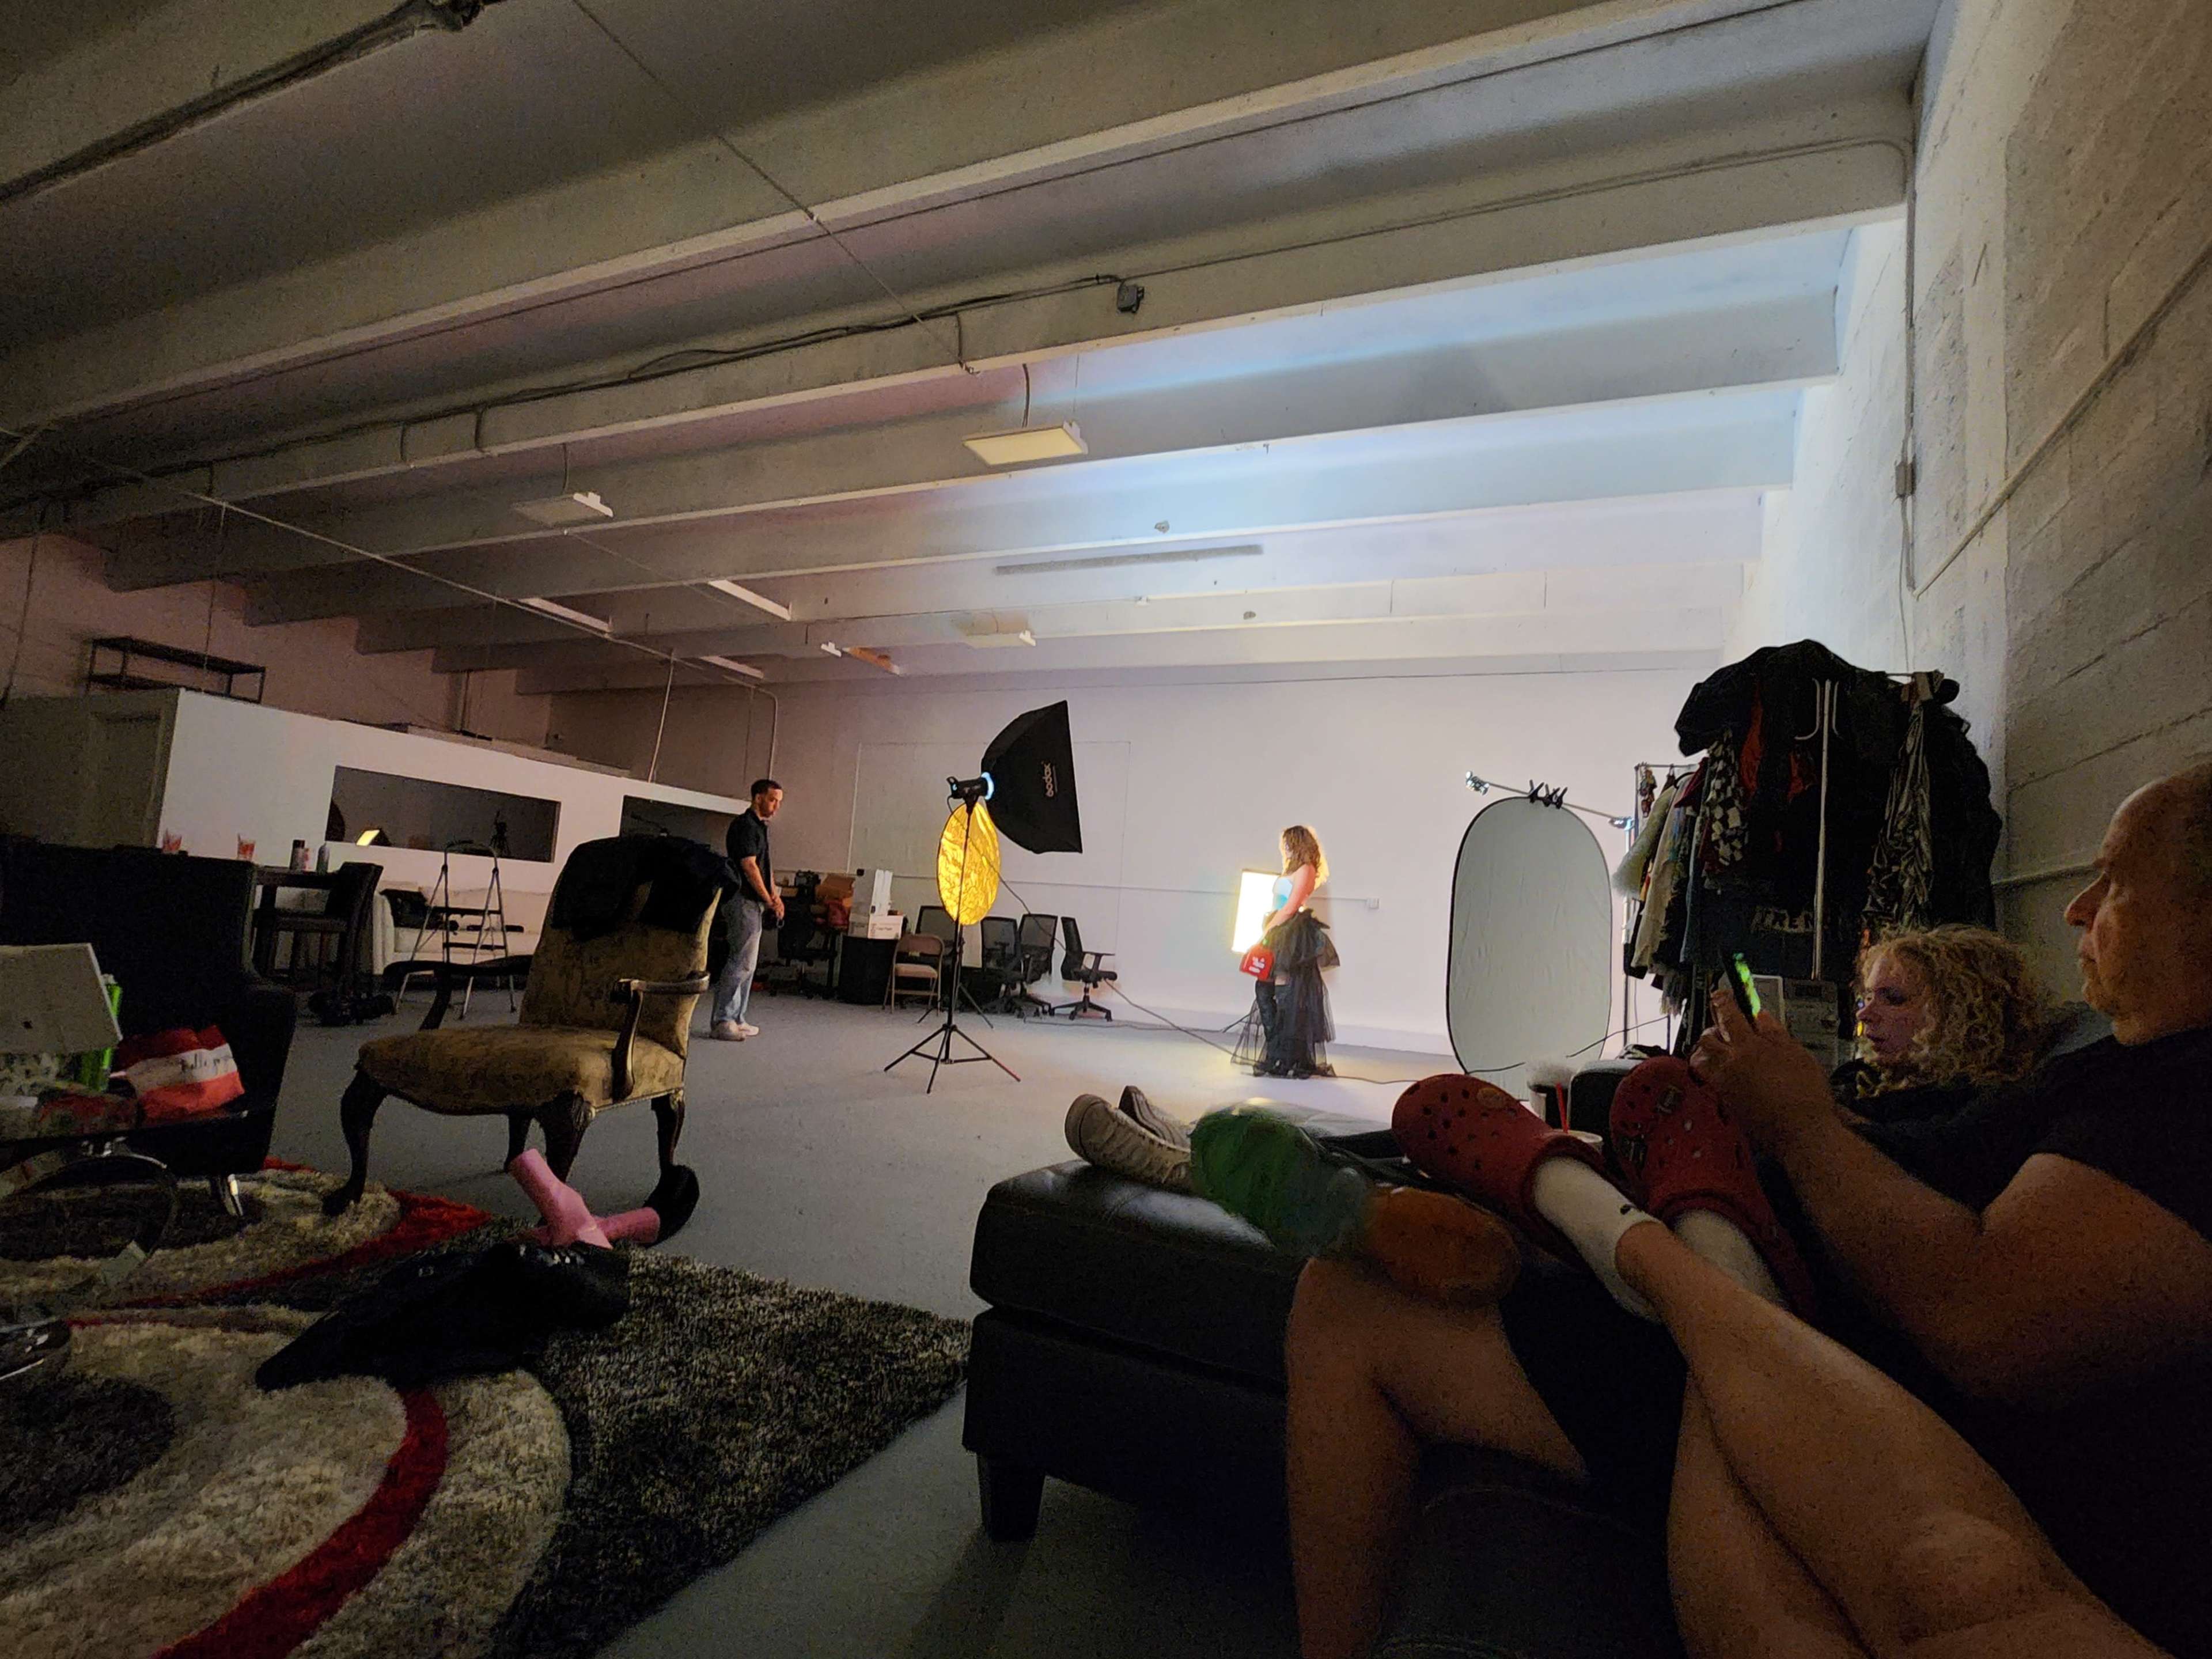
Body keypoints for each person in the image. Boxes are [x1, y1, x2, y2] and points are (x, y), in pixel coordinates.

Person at [1279, 762, 2212, 1659]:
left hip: (1829, 1388)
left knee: (1348, 1298)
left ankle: (1658, 1237)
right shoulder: (2109, 1071)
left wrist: (1801, 1127)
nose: (2076, 908)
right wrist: (1804, 1118)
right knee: (1446, 1190)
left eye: (2117, 882)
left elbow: (1990, 1318)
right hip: (1796, 1314)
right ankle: (1657, 1220)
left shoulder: (2187, 1091)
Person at [1839, 923, 2050, 1123]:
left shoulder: (1981, 1111)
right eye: (1868, 997)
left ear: (1959, 1015)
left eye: (1894, 998)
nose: (1864, 1014)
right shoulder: (1859, 1078)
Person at [1244, 824, 1339, 1078]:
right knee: (1264, 990)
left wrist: (1267, 931)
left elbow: (1291, 906)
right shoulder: (1292, 870)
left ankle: (1286, 1057)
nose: (1284, 847)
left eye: (1287, 843)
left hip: (1290, 934)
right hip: (1278, 931)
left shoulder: (1306, 870)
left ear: (1297, 843)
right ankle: (1277, 1051)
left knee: (1286, 995)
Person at [710, 778, 784, 1040]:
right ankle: (723, 1020)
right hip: (742, 900)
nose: (776, 807)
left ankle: (738, 1017)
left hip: (755, 903)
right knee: (740, 961)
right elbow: (749, 867)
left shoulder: (761, 829)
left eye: (779, 802)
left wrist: (776, 898)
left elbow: (766, 866)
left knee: (749, 964)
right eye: (773, 800)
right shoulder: (744, 826)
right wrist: (767, 898)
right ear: (758, 798)